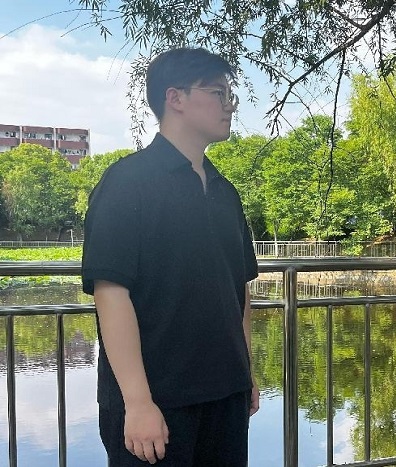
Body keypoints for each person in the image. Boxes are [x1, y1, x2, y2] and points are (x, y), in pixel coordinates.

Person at [81, 47, 259, 466]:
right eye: (218, 93)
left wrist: (245, 374)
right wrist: (138, 403)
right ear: (175, 98)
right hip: (157, 403)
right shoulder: (127, 182)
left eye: (231, 94)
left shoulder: (225, 191)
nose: (229, 105)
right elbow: (111, 292)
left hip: (226, 396)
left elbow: (239, 292)